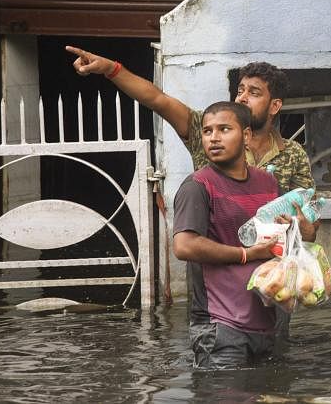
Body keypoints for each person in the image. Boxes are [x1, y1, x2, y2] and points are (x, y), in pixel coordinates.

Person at [172, 101, 316, 368]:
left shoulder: (267, 182)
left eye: (224, 129)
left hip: (271, 322)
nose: (214, 138)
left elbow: (278, 239)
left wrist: (302, 231)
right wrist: (246, 254)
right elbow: (184, 246)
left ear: (247, 136)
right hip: (221, 328)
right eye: (207, 131)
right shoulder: (197, 186)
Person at [66, 46, 314, 190]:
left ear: (275, 106)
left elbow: (309, 220)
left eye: (254, 93)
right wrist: (111, 69)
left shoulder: (292, 154)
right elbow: (158, 99)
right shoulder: (206, 131)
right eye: (240, 91)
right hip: (214, 260)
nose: (242, 98)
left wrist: (300, 223)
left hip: (270, 268)